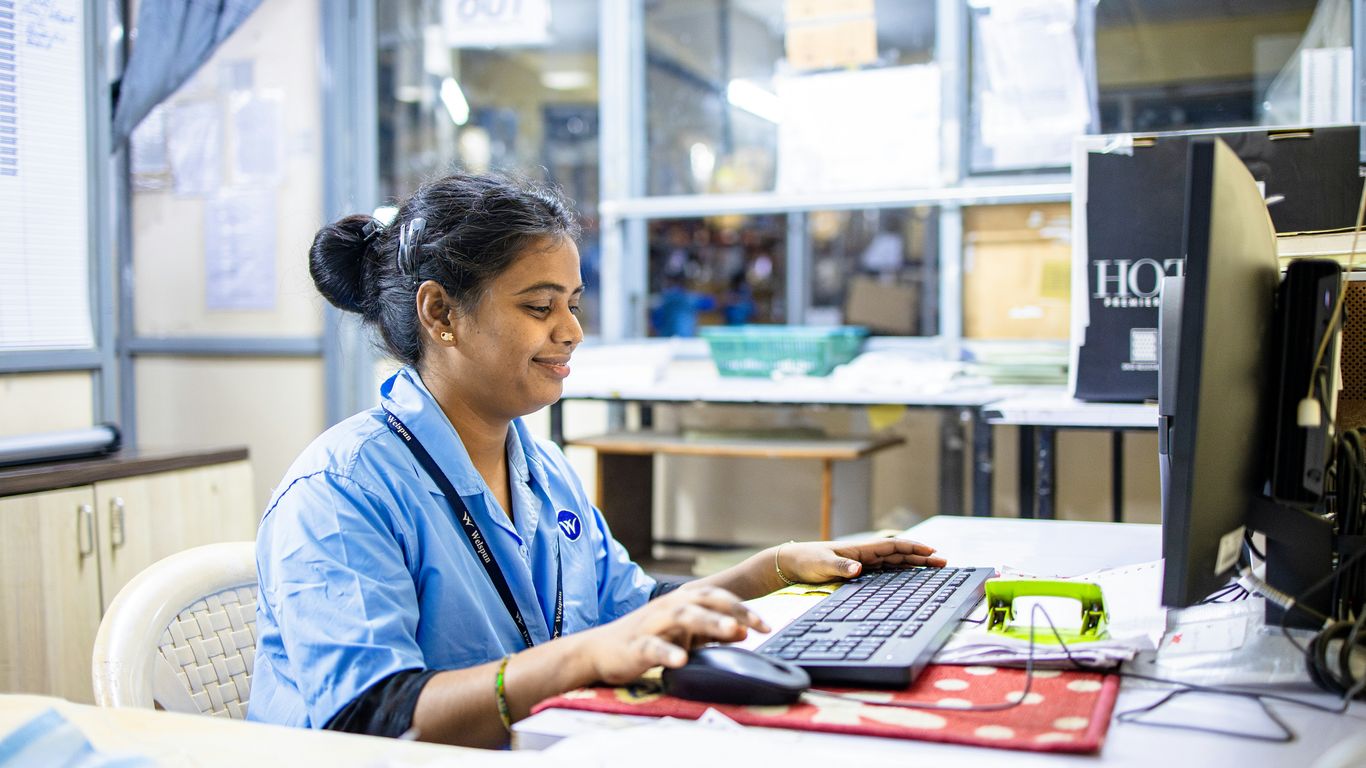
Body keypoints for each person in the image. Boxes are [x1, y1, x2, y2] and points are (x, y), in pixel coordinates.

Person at [249, 172, 947, 748]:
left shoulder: (539, 468)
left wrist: (777, 568)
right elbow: (370, 721)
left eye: (574, 305)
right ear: (441, 314)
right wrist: (581, 658)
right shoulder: (341, 492)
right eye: (539, 306)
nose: (572, 332)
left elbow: (633, 610)